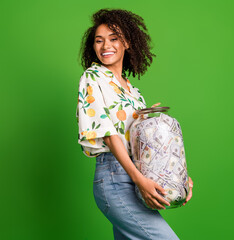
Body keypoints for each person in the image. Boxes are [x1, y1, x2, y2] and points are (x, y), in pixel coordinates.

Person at [76, 8, 193, 240]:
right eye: (99, 41)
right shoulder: (93, 77)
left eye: (113, 39)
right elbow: (109, 135)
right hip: (115, 179)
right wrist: (140, 180)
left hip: (136, 176)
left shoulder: (132, 92)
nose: (105, 46)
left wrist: (179, 176)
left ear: (127, 43)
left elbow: (147, 147)